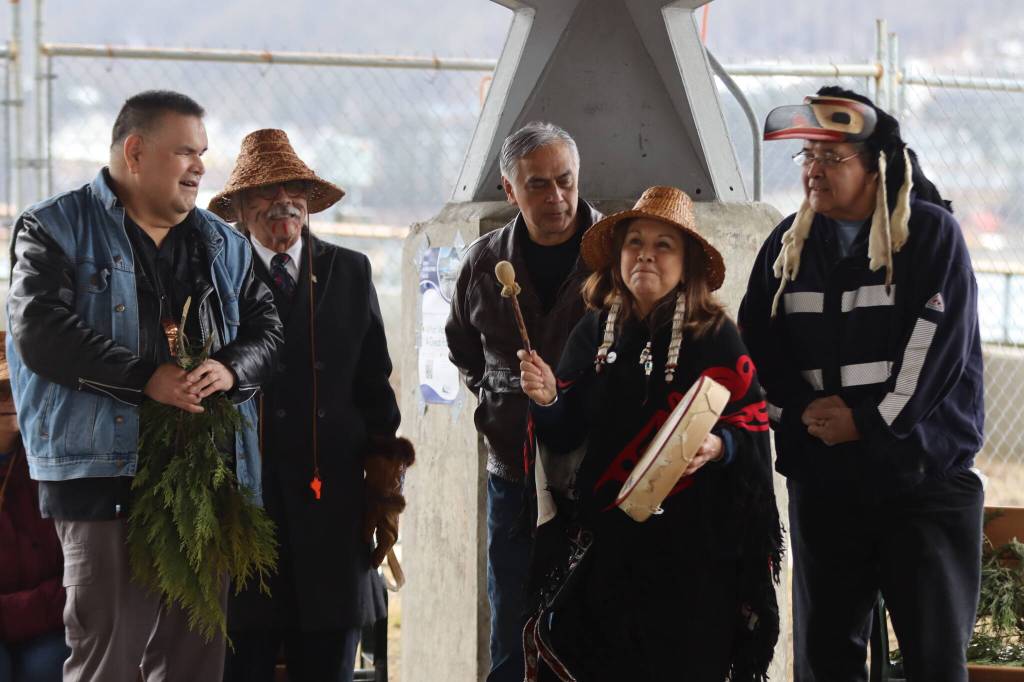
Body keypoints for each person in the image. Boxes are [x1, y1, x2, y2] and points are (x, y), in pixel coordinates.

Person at [5, 90, 283, 682]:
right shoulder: (54, 227)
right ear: (135, 151)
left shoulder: (222, 242)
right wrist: (143, 380)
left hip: (207, 480)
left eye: (203, 152)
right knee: (107, 658)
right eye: (186, 151)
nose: (201, 167)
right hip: (100, 476)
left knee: (193, 663)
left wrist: (231, 368)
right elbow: (40, 330)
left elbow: (268, 328)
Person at [739, 86, 985, 681]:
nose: (814, 170)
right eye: (808, 157)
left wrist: (865, 424)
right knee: (826, 661)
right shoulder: (787, 246)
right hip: (827, 487)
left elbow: (932, 352)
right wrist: (796, 415)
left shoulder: (928, 235)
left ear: (876, 166)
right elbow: (757, 350)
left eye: (832, 157)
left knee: (932, 660)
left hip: (922, 483)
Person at [519, 185, 782, 682]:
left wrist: (719, 446)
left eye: (664, 245)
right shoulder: (595, 333)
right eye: (634, 242)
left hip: (696, 559)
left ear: (688, 265)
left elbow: (752, 428)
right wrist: (549, 398)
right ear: (618, 257)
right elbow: (565, 434)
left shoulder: (716, 338)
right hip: (609, 550)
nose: (646, 254)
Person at [209, 129, 412, 682]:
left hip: (334, 500)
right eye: (265, 193)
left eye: (294, 190)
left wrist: (385, 482)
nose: (283, 204)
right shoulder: (216, 277)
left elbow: (375, 385)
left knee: (327, 662)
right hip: (246, 504)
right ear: (240, 211)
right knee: (243, 659)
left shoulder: (350, 271)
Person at [445, 121, 602, 682]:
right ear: (509, 190)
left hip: (595, 476)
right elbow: (463, 349)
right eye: (538, 185)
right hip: (512, 475)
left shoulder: (611, 260)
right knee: (513, 632)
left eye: (566, 181)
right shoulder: (483, 265)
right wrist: (500, 402)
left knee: (596, 632)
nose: (556, 198)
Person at [0, 332, 69, 682]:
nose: (7, 398)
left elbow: (76, 573)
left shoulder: (54, 467)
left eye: (13, 385)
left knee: (49, 667)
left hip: (49, 621)